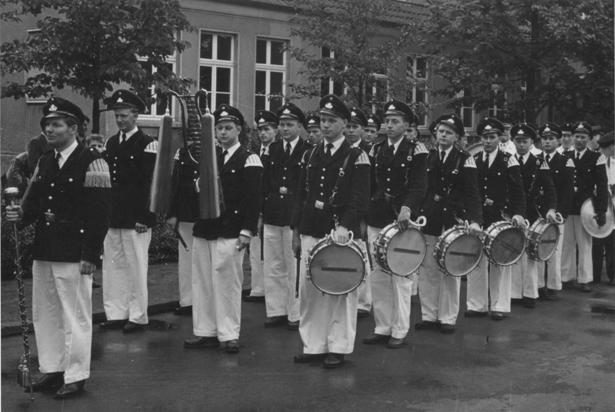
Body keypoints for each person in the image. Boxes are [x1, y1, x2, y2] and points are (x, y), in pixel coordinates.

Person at [5, 97, 111, 399]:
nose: (49, 129)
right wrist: (19, 215)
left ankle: (76, 374)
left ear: (73, 128)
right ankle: (52, 368)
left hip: (74, 251)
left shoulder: (93, 161)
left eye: (56, 124)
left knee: (74, 314)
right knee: (46, 312)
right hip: (46, 248)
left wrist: (91, 253)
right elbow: (35, 203)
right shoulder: (46, 161)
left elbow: (100, 213)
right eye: (47, 125)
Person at [291, 94, 370, 368]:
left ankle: (338, 346)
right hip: (311, 229)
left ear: (345, 123)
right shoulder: (311, 153)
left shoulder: (356, 156)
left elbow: (360, 198)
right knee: (310, 290)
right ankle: (313, 344)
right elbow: (302, 193)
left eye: (331, 121)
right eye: (322, 120)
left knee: (340, 289)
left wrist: (345, 225)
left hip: (340, 233)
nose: (325, 126)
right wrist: (296, 230)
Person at [184, 104, 263, 354]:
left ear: (239, 129)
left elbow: (254, 199)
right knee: (203, 282)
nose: (223, 133)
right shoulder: (211, 158)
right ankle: (206, 331)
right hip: (206, 228)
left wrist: (247, 231)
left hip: (231, 229)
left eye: (228, 128)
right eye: (219, 128)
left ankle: (229, 333)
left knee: (227, 283)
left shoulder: (248, 158)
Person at [362, 100, 427, 348]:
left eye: (395, 121)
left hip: (402, 220)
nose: (389, 126)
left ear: (406, 125)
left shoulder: (416, 150)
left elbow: (419, 184)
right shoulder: (376, 150)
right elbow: (369, 184)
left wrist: (408, 207)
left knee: (400, 274)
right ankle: (382, 326)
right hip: (377, 217)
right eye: (387, 121)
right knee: (378, 274)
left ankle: (399, 329)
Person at [416, 114, 483, 333]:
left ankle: (447, 317)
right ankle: (429, 315)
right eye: (440, 131)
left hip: (452, 219)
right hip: (429, 219)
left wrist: (475, 220)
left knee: (450, 269)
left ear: (456, 137)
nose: (443, 135)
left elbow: (473, 193)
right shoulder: (428, 156)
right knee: (428, 268)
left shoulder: (464, 159)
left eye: (448, 133)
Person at [100, 89, 157, 333]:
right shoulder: (112, 143)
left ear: (136, 115)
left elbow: (151, 183)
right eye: (117, 116)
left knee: (136, 266)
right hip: (115, 215)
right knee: (113, 266)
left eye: (124, 116)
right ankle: (116, 313)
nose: (120, 120)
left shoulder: (148, 144)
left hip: (137, 218)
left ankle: (137, 315)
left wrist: (146, 216)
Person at [464, 118, 526, 321]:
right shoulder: (473, 159)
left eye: (492, 137)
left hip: (500, 216)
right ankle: (476, 304)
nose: (488, 141)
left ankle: (499, 305)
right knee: (476, 259)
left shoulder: (509, 160)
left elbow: (518, 192)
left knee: (500, 261)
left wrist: (517, 213)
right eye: (485, 137)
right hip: (478, 216)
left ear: (500, 138)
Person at [260, 103, 311, 330]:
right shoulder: (273, 149)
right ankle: (276, 310)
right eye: (281, 125)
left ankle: (295, 312)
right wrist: (261, 213)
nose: (285, 129)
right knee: (273, 264)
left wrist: (300, 219)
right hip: (273, 212)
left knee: (294, 266)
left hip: (293, 214)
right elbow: (265, 183)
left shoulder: (308, 150)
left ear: (300, 127)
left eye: (290, 124)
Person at [509, 123, 557, 309]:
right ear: (513, 142)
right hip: (512, 212)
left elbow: (551, 189)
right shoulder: (509, 160)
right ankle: (513, 293)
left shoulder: (539, 162)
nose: (521, 145)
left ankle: (530, 293)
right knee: (512, 252)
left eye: (525, 141)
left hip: (533, 212)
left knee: (530, 254)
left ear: (531, 142)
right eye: (518, 141)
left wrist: (551, 208)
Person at [561, 121, 609, 292]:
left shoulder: (596, 158)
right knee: (567, 243)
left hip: (586, 207)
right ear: (572, 137)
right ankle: (566, 276)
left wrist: (602, 210)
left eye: (583, 137)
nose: (579, 140)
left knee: (585, 244)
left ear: (589, 139)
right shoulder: (565, 155)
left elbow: (602, 186)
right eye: (577, 136)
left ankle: (585, 279)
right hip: (567, 207)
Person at [165, 130, 201, 316]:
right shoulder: (183, 153)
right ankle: (187, 301)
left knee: (204, 261)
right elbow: (175, 183)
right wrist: (172, 213)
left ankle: (203, 302)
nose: (195, 138)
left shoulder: (217, 153)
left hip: (206, 215)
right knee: (186, 260)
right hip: (186, 212)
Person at [537, 123, 575, 299]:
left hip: (557, 213)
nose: (547, 142)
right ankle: (537, 285)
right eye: (544, 138)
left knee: (554, 250)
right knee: (536, 249)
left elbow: (567, 192)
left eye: (551, 138)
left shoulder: (564, 161)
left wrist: (562, 214)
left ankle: (552, 285)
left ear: (558, 140)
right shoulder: (535, 159)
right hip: (538, 212)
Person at [244, 111, 275, 303]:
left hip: (271, 209)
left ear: (275, 131)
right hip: (257, 207)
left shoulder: (278, 152)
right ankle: (258, 288)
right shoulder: (255, 154)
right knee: (256, 250)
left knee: (271, 253)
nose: (263, 134)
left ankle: (270, 289)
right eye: (260, 130)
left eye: (267, 129)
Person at [347, 106, 373, 317]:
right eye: (348, 126)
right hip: (344, 211)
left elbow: (369, 187)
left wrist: (364, 218)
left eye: (355, 127)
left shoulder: (368, 151)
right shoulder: (341, 149)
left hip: (361, 212)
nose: (350, 130)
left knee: (362, 256)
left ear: (363, 129)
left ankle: (363, 302)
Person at [592, 131, 615, 285]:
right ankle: (595, 275)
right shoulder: (597, 161)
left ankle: (613, 275)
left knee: (612, 244)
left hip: (613, 208)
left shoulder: (613, 164)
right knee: (597, 242)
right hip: (598, 207)